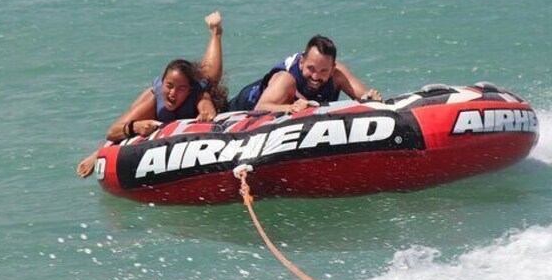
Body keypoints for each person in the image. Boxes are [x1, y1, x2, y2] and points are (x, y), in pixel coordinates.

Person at [76, 11, 226, 178]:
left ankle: (215, 31)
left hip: (199, 87)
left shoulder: (197, 92)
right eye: (169, 86)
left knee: (210, 76)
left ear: (189, 90)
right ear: (163, 82)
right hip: (155, 109)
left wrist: (206, 114)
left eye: (181, 89)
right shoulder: (158, 96)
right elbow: (112, 131)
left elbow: (207, 107)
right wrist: (136, 127)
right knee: (132, 116)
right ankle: (98, 152)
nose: (172, 93)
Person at [227, 34, 381, 113]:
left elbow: (364, 97)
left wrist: (372, 98)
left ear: (332, 69)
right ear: (301, 63)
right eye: (311, 69)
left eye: (323, 71)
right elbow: (261, 107)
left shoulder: (337, 75)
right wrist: (290, 108)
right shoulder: (287, 79)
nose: (315, 77)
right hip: (241, 105)